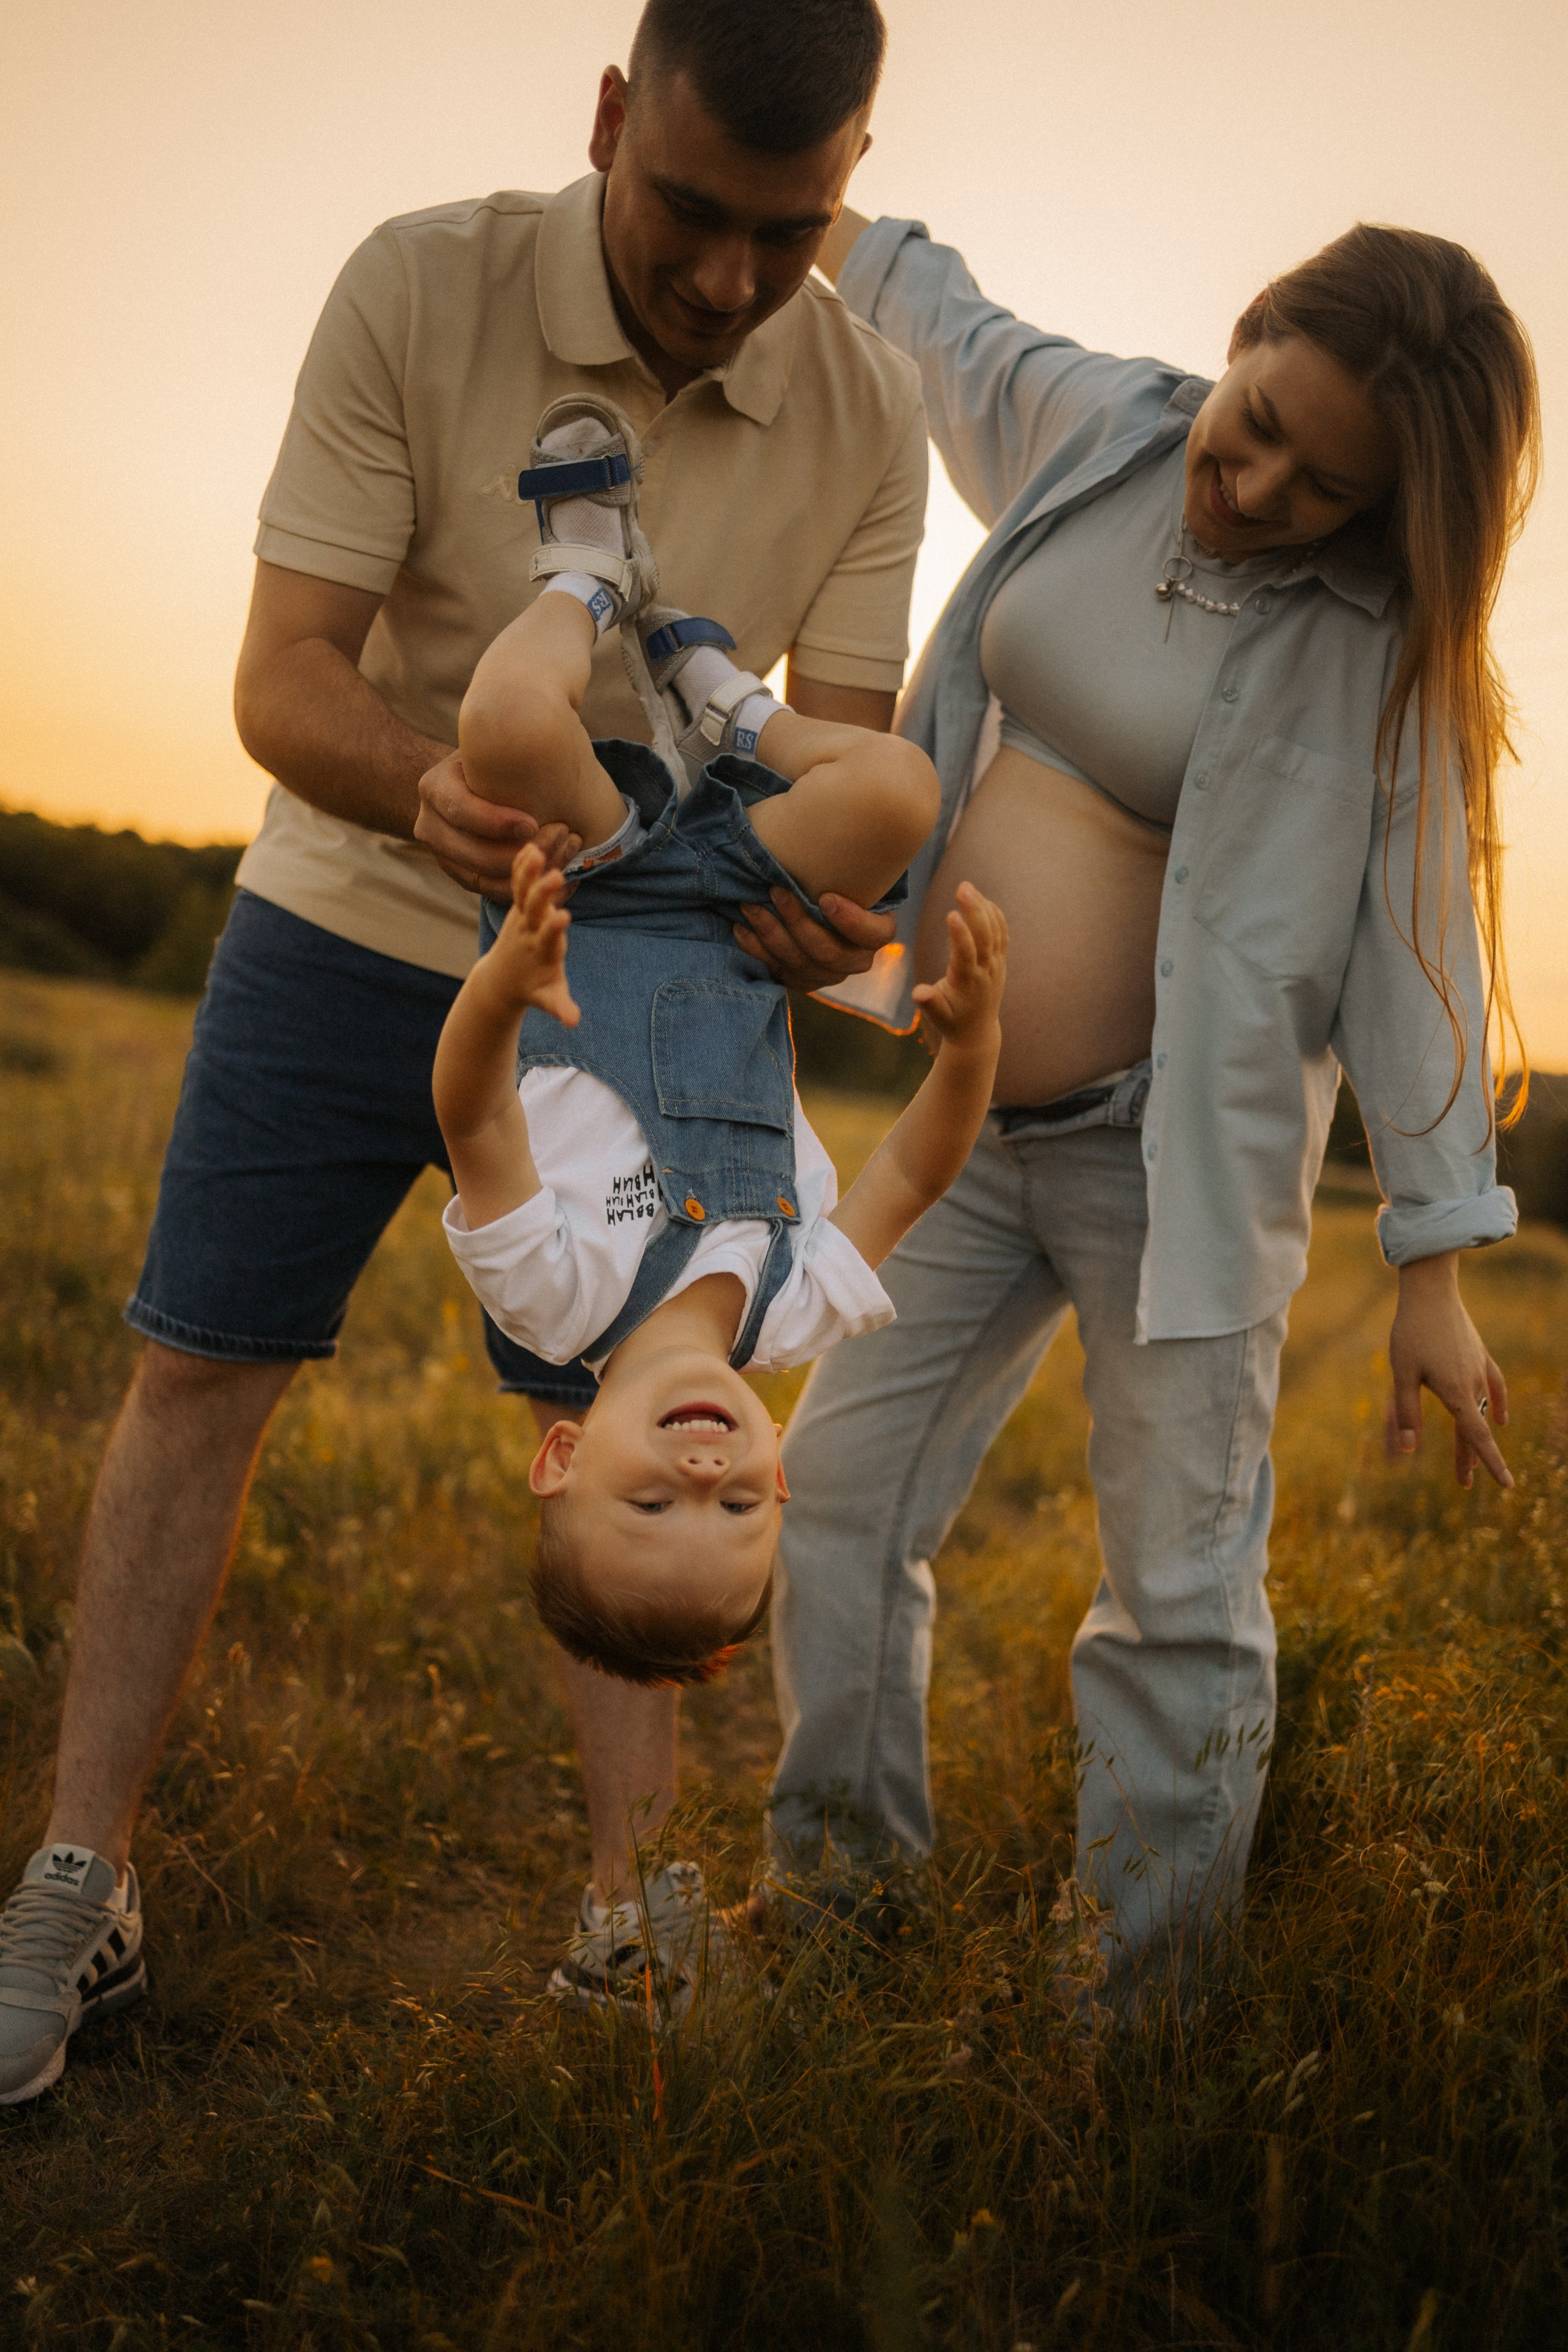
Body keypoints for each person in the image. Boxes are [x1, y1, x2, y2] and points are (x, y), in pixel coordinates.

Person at [0, 0, 927, 2105]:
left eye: (786, 236)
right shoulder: (418, 282)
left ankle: (633, 1909)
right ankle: (78, 1870)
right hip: (359, 916)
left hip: (657, 972)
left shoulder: (867, 409)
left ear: (845, 196)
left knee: (648, 1405)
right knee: (199, 1363)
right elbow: (279, 677)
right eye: (689, 210)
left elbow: (851, 758)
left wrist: (823, 913)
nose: (723, 278)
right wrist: (427, 786)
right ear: (610, 118)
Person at [764, 205, 1539, 1996]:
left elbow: (1421, 947)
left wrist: (1433, 1257)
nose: (1255, 484)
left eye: (1321, 486)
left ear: (1384, 514)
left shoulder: (1384, 654)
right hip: (962, 1125)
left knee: (1178, 1602)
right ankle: (840, 1900)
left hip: (1173, 1164)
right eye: (1259, 415)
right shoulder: (1104, 425)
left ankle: (1139, 2018)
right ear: (1246, 328)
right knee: (837, 1491)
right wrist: (823, 205)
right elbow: (949, 330)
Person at [430, 407, 1003, 1683]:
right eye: (735, 1508)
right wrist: (966, 1057)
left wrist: (504, 974)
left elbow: (470, 1116)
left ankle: (584, 575)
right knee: (899, 794)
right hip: (742, 916)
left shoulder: (558, 1296)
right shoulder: (795, 1309)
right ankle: (729, 713)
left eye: (653, 1505)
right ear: (778, 1475)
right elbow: (910, 1177)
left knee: (511, 732)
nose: (703, 1474)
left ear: (563, 1458)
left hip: (591, 893)